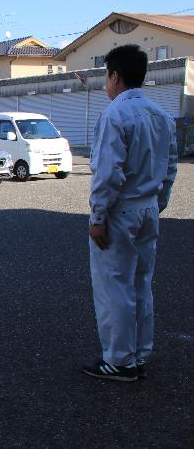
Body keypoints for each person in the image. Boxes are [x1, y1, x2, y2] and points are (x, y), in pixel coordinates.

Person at [82, 45, 178, 381]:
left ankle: (119, 361)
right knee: (141, 283)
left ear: (115, 75)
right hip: (148, 208)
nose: (105, 82)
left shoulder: (114, 115)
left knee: (114, 286)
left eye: (106, 75)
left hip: (120, 212)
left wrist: (97, 218)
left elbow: (108, 174)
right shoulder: (161, 115)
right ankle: (139, 352)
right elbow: (169, 168)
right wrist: (157, 204)